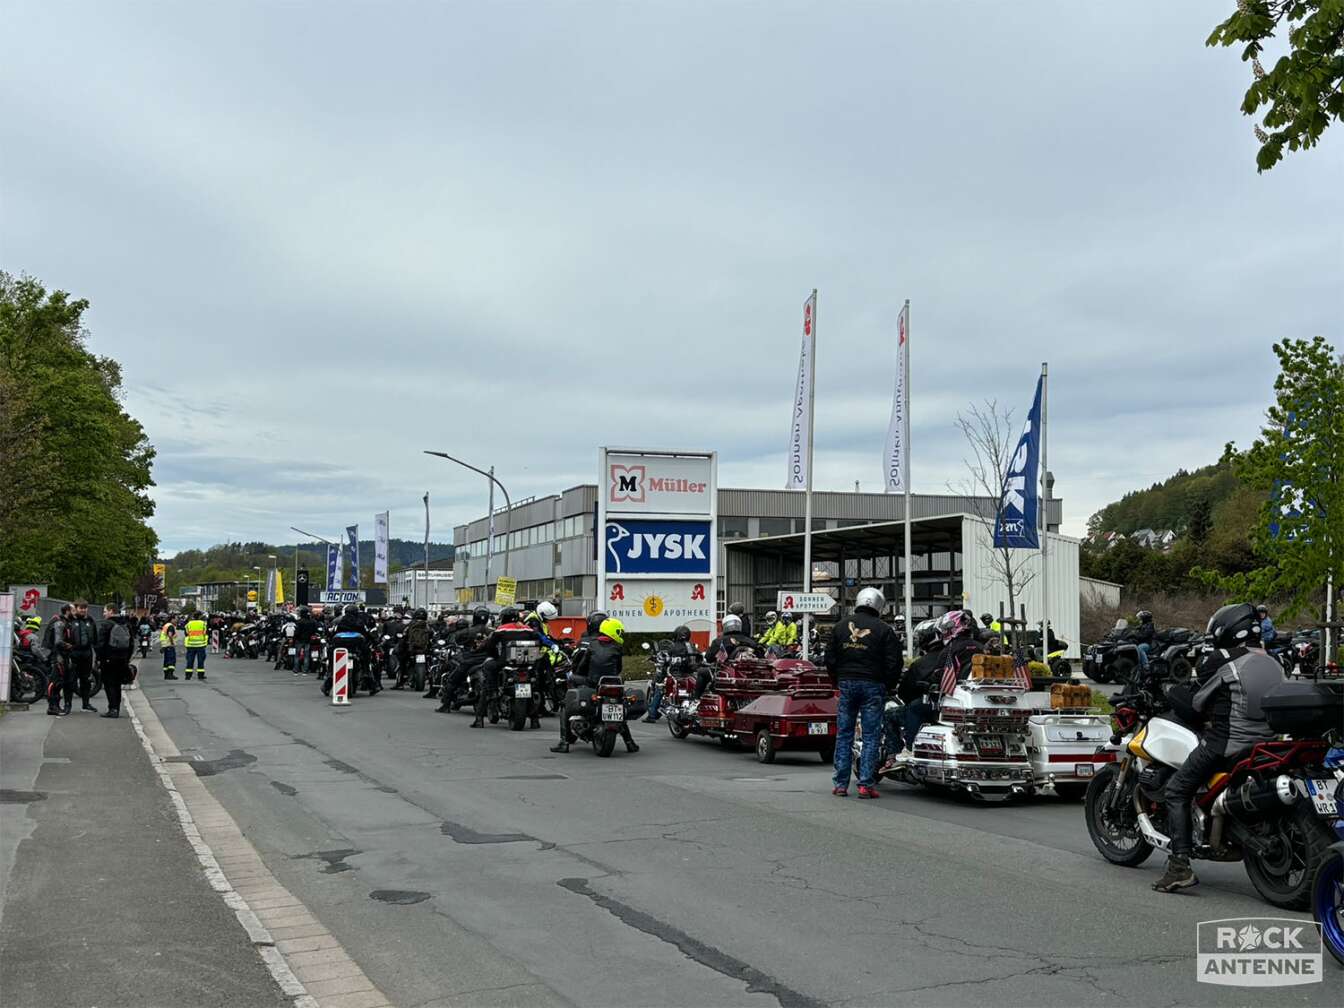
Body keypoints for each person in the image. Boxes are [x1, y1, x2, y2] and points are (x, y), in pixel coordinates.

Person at [1153, 602, 1284, 893]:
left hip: (1227, 744)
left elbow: (1197, 705)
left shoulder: (1221, 660)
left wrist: (1172, 693)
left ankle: (1179, 866)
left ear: (1227, 630)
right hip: (1266, 745)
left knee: (1176, 790)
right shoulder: (1274, 661)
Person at [826, 587, 902, 799]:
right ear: (879, 605)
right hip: (873, 685)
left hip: (846, 684)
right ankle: (865, 784)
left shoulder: (840, 627)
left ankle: (840, 784)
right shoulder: (884, 630)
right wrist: (888, 685)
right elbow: (894, 662)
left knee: (844, 734)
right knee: (871, 736)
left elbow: (829, 658)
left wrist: (837, 679)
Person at [551, 617, 637, 753]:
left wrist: (579, 673)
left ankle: (564, 742)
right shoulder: (617, 648)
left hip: (593, 682)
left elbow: (582, 667)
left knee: (566, 702)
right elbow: (619, 668)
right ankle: (630, 742)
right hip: (613, 683)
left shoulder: (591, 645)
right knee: (617, 707)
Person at [883, 622, 944, 770]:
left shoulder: (921, 664)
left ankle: (896, 753)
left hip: (927, 708)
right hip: (948, 708)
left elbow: (905, 692)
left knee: (888, 715)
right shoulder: (952, 657)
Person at [473, 607, 542, 729]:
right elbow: (539, 641)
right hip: (527, 665)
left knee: (487, 675)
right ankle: (535, 720)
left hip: (506, 662)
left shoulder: (501, 629)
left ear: (504, 618)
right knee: (534, 687)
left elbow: (490, 646)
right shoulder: (528, 629)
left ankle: (480, 718)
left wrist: (493, 656)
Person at [644, 624, 696, 722]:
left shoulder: (674, 647)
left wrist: (660, 660)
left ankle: (652, 714)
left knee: (659, 687)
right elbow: (700, 658)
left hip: (675, 674)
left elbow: (664, 659)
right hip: (690, 675)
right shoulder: (692, 646)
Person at [97, 606, 135, 718]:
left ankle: (112, 709)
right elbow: (131, 643)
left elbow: (100, 643)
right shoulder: (126, 624)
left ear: (111, 611)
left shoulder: (106, 625)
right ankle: (116, 708)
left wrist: (100, 658)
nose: (104, 614)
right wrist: (127, 658)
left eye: (105, 611)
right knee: (117, 684)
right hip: (122, 658)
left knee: (109, 684)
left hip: (109, 659)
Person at [62, 600, 100, 712]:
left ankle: (86, 704)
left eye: (85, 608)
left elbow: (95, 638)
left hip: (87, 653)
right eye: (81, 608)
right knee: (69, 680)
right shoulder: (69, 620)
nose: (83, 610)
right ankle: (67, 704)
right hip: (73, 653)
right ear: (76, 608)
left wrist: (97, 655)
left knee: (86, 680)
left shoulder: (90, 620)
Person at [397, 608, 431, 691]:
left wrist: (401, 647)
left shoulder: (410, 626)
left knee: (402, 662)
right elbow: (433, 636)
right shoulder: (428, 626)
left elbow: (404, 638)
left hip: (412, 650)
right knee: (431, 662)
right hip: (424, 650)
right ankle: (431, 679)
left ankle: (401, 682)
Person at [184, 611, 209, 680]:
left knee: (190, 660)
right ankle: (200, 675)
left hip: (191, 645)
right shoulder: (203, 624)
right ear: (200, 616)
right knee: (200, 661)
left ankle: (188, 676)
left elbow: (186, 633)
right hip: (200, 645)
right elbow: (205, 633)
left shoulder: (189, 624)